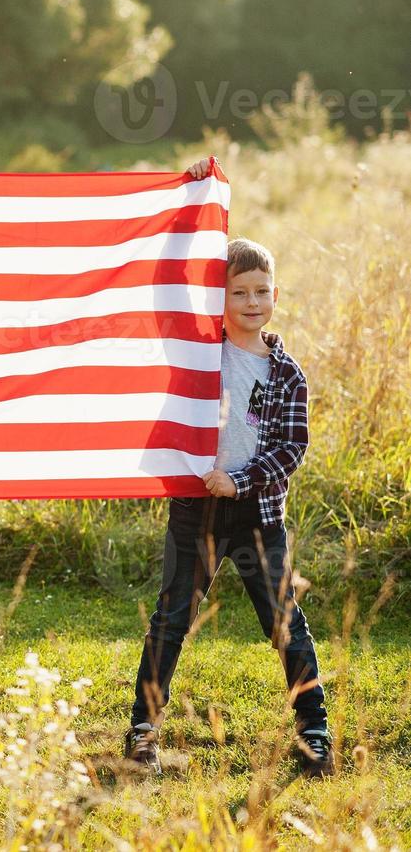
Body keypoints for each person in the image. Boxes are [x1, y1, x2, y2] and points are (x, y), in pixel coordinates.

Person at [125, 206, 331, 778]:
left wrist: (239, 479)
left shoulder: (287, 375)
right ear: (219, 297)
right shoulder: (198, 355)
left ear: (274, 294)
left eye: (261, 291)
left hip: (259, 517)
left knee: (284, 621)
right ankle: (143, 732)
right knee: (171, 617)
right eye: (238, 291)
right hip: (195, 513)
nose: (250, 302)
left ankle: (314, 732)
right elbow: (168, 286)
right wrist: (192, 199)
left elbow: (291, 449)